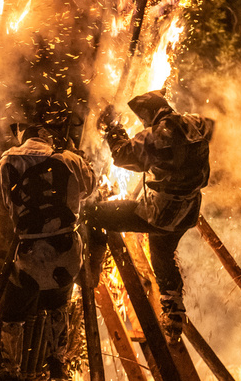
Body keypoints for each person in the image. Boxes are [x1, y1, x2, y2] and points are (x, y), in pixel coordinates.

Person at [89, 90, 214, 341]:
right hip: (188, 211)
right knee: (162, 252)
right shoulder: (196, 123)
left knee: (94, 214)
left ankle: (92, 267)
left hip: (161, 213)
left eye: (144, 118)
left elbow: (124, 156)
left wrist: (112, 128)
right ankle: (173, 305)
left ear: (150, 115)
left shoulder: (159, 134)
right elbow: (211, 128)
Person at [0, 122, 96, 381]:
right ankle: (57, 359)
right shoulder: (69, 159)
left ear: (22, 136)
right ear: (47, 137)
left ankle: (10, 370)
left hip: (30, 254)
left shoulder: (5, 163)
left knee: (14, 313)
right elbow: (89, 188)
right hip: (66, 251)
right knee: (58, 304)